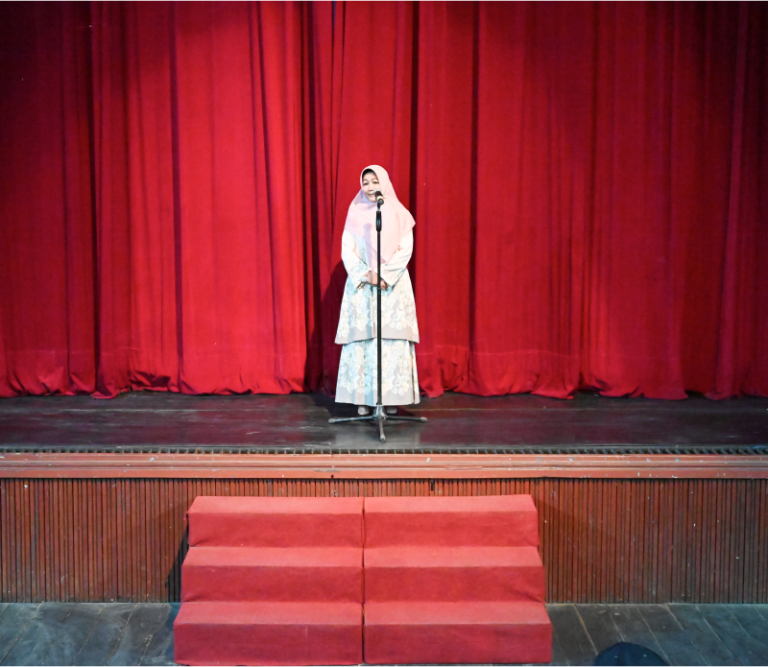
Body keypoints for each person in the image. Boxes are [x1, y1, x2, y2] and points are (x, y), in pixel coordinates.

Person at [335, 165, 420, 415]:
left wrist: (384, 276)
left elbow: (405, 249)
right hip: (363, 287)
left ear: (384, 183)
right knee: (364, 341)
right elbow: (347, 250)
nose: (371, 187)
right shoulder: (354, 212)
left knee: (391, 341)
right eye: (366, 183)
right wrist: (367, 275)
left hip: (392, 287)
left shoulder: (400, 214)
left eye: (375, 181)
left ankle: (390, 398)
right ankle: (363, 398)